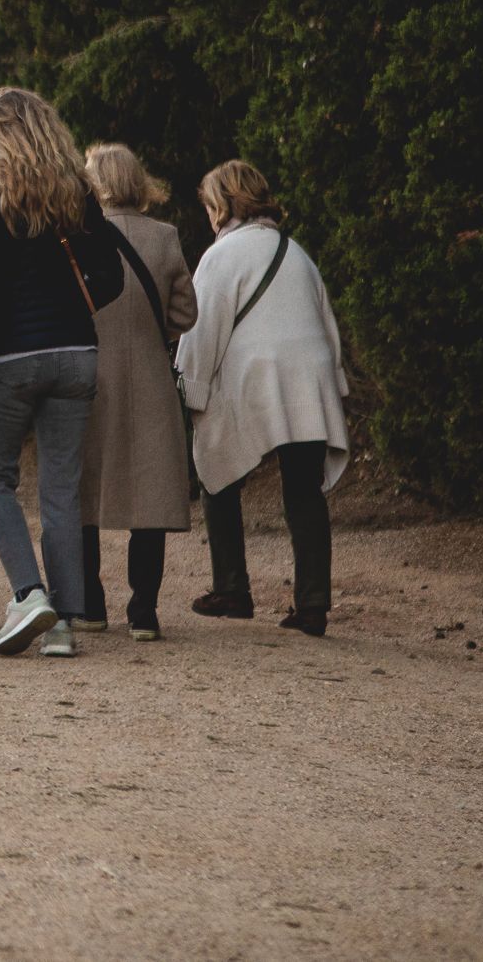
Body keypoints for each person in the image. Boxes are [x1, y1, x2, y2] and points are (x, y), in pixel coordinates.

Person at [0, 86, 126, 659]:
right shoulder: (78, 198)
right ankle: (65, 620)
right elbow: (112, 276)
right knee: (61, 490)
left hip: (7, 355)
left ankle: (30, 595)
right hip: (75, 353)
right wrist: (76, 308)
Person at [178, 160, 350, 637]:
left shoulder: (222, 255)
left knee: (216, 470)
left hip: (256, 376)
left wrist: (192, 389)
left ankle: (232, 588)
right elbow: (326, 322)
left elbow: (201, 327)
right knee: (303, 490)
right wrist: (334, 385)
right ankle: (313, 604)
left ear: (225, 205)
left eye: (212, 205)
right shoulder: (296, 253)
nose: (210, 216)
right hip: (308, 376)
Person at [77, 144, 198, 639]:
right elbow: (186, 315)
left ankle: (89, 605)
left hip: (89, 378)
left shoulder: (79, 238)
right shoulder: (165, 238)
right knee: (149, 499)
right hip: (150, 377)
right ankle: (143, 611)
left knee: (83, 492)